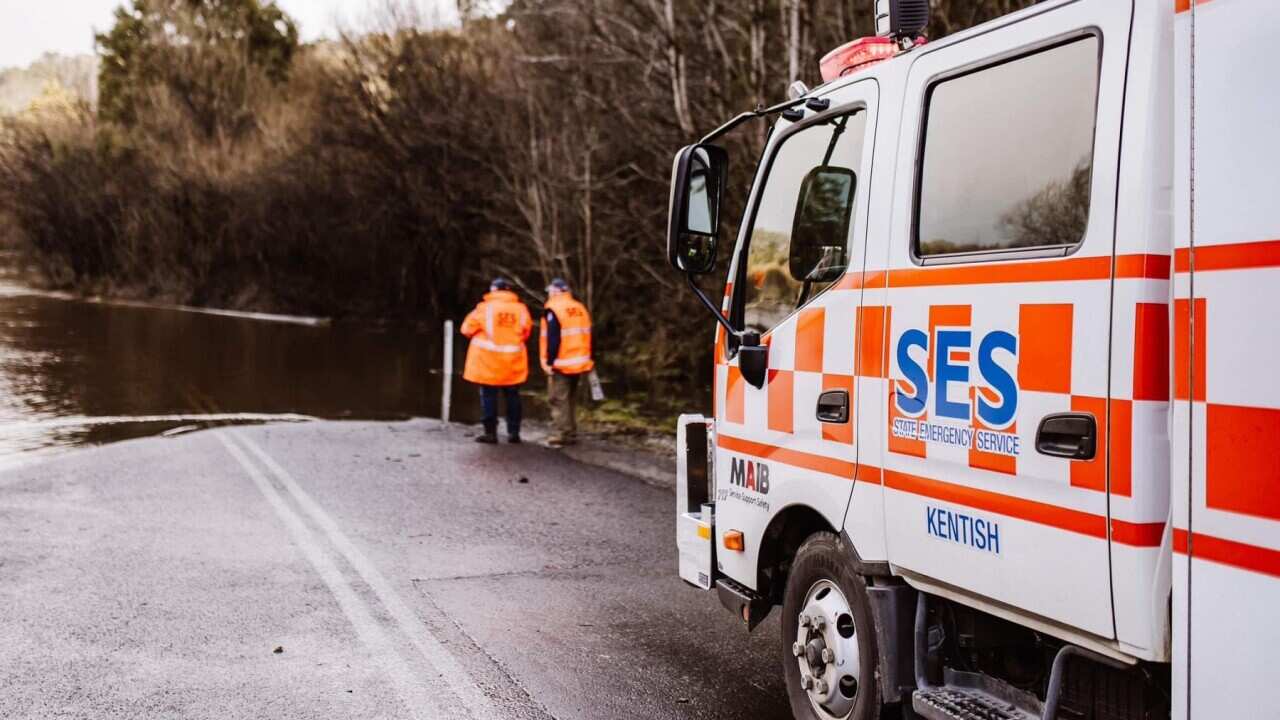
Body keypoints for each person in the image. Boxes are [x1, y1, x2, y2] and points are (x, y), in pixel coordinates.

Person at [461, 278, 532, 444]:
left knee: (488, 397)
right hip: (513, 361)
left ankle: (490, 433)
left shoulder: (484, 308)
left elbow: (466, 329)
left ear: (493, 290)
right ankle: (514, 433)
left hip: (489, 362)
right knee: (513, 397)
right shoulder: (521, 309)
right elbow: (526, 332)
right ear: (507, 290)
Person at [539, 278, 594, 447]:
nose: (548, 293)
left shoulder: (554, 309)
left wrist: (549, 361)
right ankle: (571, 431)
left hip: (562, 362)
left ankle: (562, 433)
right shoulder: (579, 308)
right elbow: (590, 334)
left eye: (550, 291)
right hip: (579, 361)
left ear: (556, 291)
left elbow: (554, 338)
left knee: (557, 398)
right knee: (570, 398)